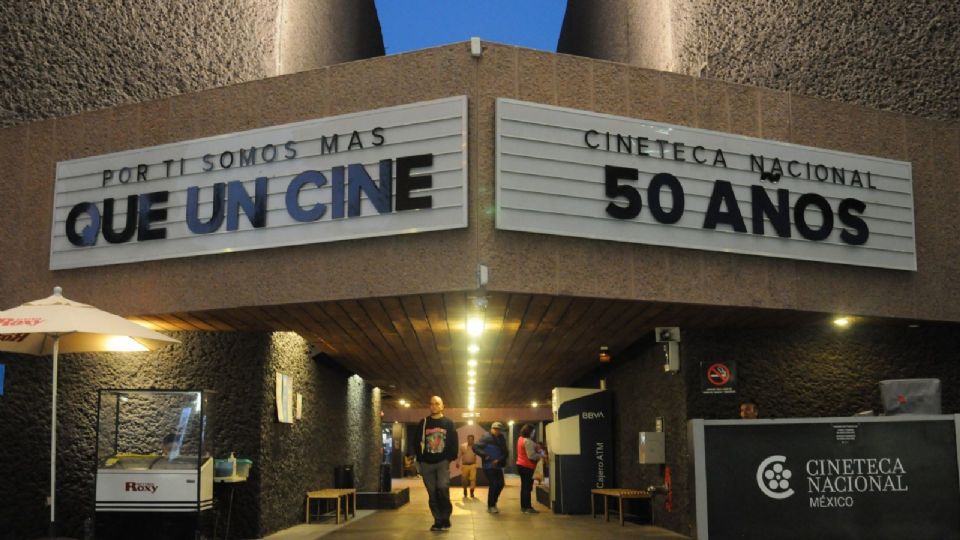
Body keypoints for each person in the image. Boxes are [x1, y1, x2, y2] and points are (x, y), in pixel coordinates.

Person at [415, 395, 458, 532]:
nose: (434, 406)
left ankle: (446, 517)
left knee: (443, 488)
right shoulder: (424, 422)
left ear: (442, 406)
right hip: (426, 463)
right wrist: (420, 459)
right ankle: (438, 520)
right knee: (432, 494)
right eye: (431, 403)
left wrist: (449, 458)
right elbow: (416, 441)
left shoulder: (448, 423)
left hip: (442, 462)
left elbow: (453, 442)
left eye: (437, 403)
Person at [473, 421, 508, 514]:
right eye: (495, 429)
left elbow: (505, 452)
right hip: (488, 466)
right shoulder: (486, 437)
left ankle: (494, 501)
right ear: (491, 429)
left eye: (499, 430)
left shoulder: (501, 438)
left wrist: (499, 460)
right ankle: (491, 505)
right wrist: (485, 455)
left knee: (500, 484)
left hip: (498, 465)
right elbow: (475, 447)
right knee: (493, 484)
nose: (497, 431)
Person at [515, 424, 545, 514]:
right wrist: (541, 456)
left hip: (520, 465)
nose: (534, 434)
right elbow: (531, 456)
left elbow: (532, 446)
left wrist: (536, 447)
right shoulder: (528, 441)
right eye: (533, 432)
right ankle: (528, 508)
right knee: (527, 488)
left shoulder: (520, 439)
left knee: (524, 487)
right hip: (527, 467)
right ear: (529, 432)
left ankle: (524, 507)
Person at [457, 434, 478, 499]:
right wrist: (457, 462)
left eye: (471, 439)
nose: (470, 440)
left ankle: (472, 492)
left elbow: (480, 453)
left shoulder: (476, 447)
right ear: (467, 439)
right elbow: (459, 455)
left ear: (473, 440)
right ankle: (465, 489)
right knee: (464, 480)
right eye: (469, 439)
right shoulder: (463, 446)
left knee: (473, 479)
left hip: (473, 465)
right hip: (465, 465)